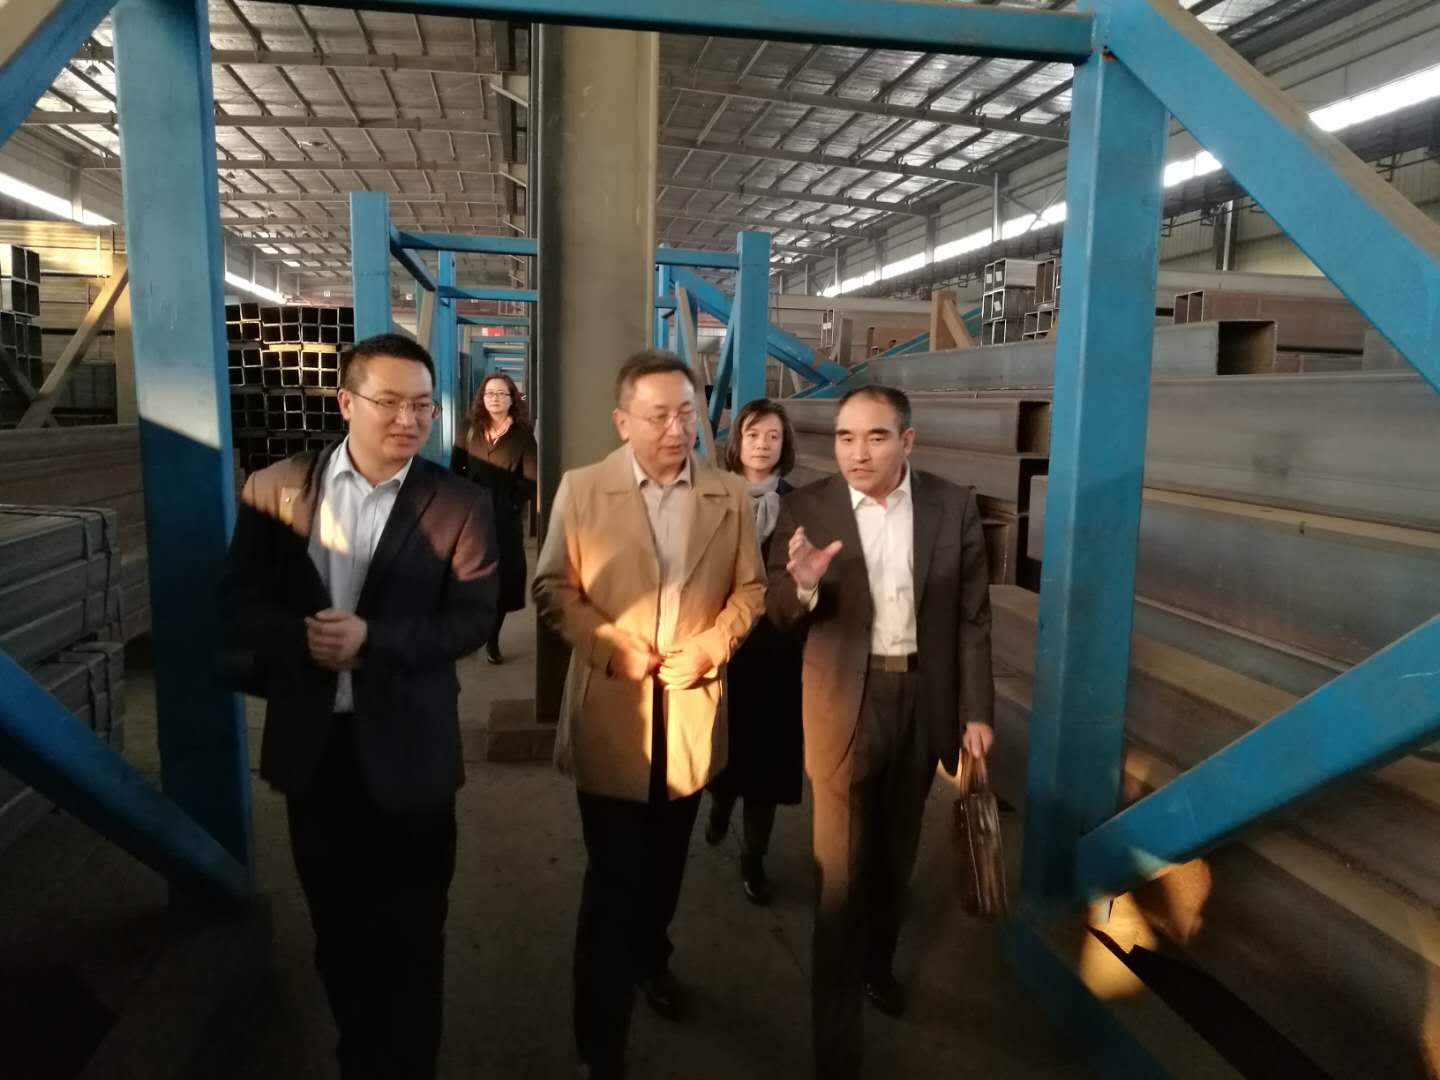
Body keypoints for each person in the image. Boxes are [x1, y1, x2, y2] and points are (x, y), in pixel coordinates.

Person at [218, 333, 498, 1080]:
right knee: (336, 931)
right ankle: (359, 1053)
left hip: (411, 757)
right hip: (317, 753)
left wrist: (374, 639)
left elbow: (473, 618)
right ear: (346, 402)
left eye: (422, 406)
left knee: (413, 937)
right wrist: (300, 639)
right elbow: (237, 605)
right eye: (390, 402)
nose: (408, 420)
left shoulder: (458, 502)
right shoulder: (277, 488)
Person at [532, 349, 765, 1080]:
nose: (675, 429)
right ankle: (599, 1041)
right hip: (614, 711)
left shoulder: (728, 494)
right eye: (658, 415)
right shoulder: (583, 489)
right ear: (622, 420)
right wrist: (609, 647)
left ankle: (651, 958)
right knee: (611, 880)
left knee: (665, 868)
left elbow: (751, 591)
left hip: (691, 712)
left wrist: (714, 647)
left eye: (686, 414)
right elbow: (552, 589)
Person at [766, 385, 995, 1080]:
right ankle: (836, 1047)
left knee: (896, 855)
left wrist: (977, 711)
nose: (857, 453)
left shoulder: (951, 505)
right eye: (845, 437)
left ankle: (878, 963)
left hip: (923, 701)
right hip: (844, 702)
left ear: (907, 441)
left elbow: (972, 618)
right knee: (839, 877)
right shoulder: (808, 508)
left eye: (874, 437)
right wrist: (804, 586)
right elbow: (778, 612)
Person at [704, 399, 804, 905]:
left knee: (768, 759)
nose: (762, 445)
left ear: (785, 445)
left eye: (773, 436)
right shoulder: (713, 496)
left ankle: (754, 857)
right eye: (753, 435)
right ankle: (721, 803)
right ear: (737, 442)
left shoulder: (801, 503)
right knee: (725, 746)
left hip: (778, 646)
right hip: (725, 643)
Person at [452, 371, 538, 664]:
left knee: (503, 579)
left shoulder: (522, 435)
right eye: (490, 393)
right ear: (482, 397)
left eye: (502, 393)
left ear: (512, 399)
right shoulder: (468, 428)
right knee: (466, 574)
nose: (495, 399)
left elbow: (530, 479)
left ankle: (492, 639)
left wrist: (512, 504)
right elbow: (456, 469)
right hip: (470, 516)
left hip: (503, 520)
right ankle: (468, 632)